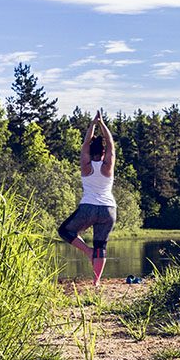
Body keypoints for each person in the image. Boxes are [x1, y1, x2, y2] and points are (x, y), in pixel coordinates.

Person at [58, 110, 116, 286]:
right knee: (101, 246)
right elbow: (111, 144)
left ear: (90, 151)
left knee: (65, 231)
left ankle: (88, 252)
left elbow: (85, 143)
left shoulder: (86, 165)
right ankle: (96, 281)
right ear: (104, 152)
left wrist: (92, 124)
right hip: (108, 210)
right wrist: (102, 124)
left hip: (88, 208)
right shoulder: (108, 166)